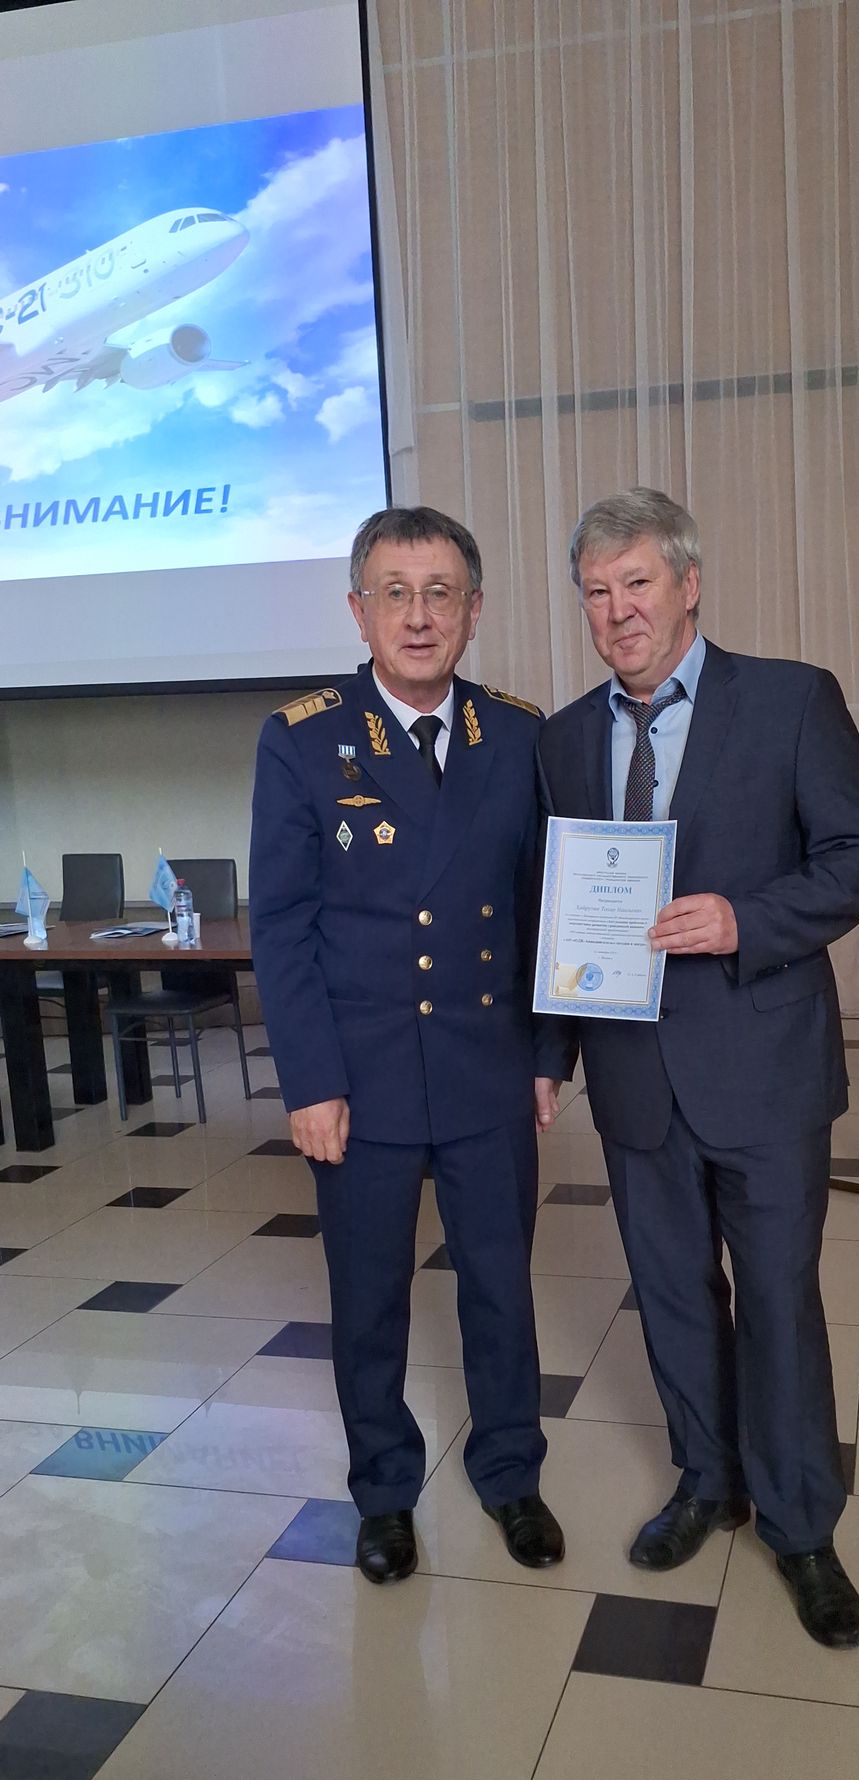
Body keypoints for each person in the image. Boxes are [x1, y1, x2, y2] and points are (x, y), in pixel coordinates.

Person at [534, 487, 859, 1647]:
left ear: (688, 585)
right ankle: (707, 1482)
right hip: (633, 1079)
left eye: (636, 583)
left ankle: (799, 1527)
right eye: (595, 592)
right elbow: (557, 910)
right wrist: (548, 1055)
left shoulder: (790, 701)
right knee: (672, 1296)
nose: (617, 611)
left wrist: (746, 921)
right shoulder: (561, 739)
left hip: (764, 1072)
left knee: (778, 1304)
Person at [250, 506, 564, 1585]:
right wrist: (310, 1082)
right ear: (359, 611)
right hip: (363, 1076)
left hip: (486, 1065)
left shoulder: (516, 735)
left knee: (500, 1288)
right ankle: (383, 1492)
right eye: (395, 593)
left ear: (474, 612)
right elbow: (282, 925)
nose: (418, 616)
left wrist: (548, 1053)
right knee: (370, 1299)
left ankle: (510, 1473)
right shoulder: (302, 738)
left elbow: (541, 910)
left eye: (440, 594)